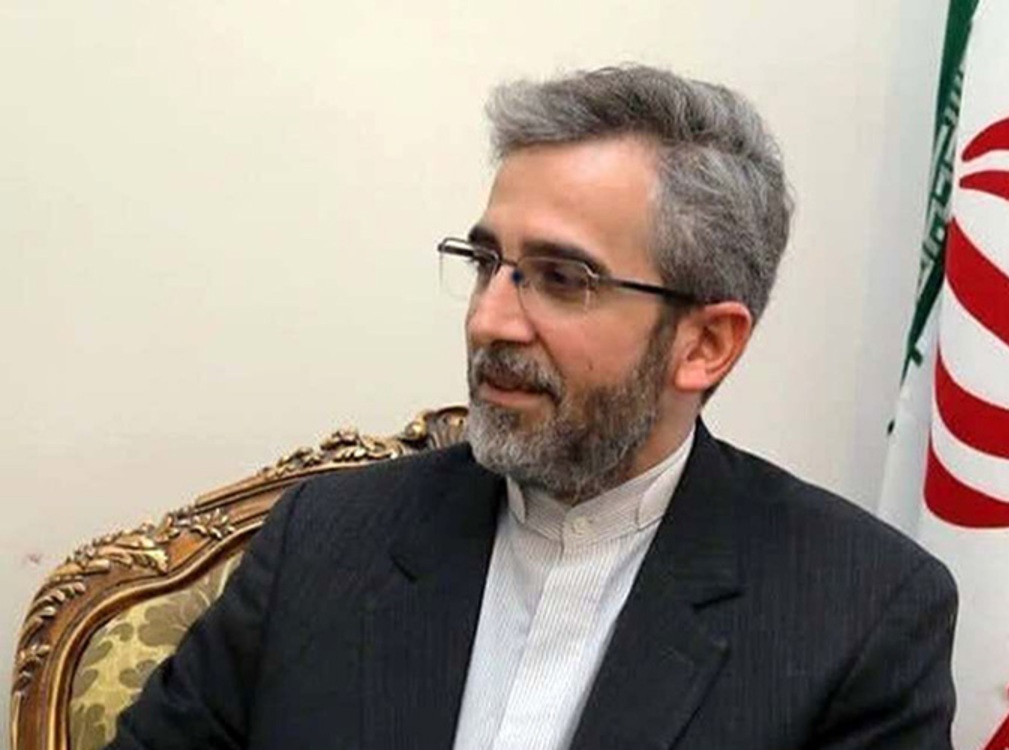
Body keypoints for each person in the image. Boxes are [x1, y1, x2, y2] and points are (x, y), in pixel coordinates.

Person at [107, 65, 957, 750]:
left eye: (561, 278)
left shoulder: (857, 612)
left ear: (705, 344)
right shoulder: (326, 542)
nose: (489, 320)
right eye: (485, 263)